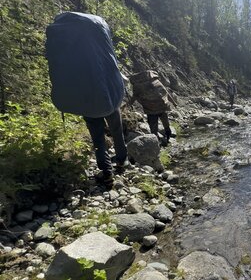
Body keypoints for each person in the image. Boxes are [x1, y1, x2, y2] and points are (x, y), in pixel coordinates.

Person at [45, 12, 128, 185]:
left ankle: (106, 172)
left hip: (88, 100)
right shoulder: (100, 46)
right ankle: (121, 160)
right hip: (111, 96)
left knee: (97, 137)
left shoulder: (74, 56)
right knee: (117, 130)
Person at [129, 70, 175, 145]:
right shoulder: (156, 81)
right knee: (165, 123)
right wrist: (174, 103)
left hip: (150, 109)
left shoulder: (137, 86)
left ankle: (156, 143)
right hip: (161, 106)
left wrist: (128, 105)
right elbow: (165, 92)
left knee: (153, 127)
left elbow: (134, 97)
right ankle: (168, 137)